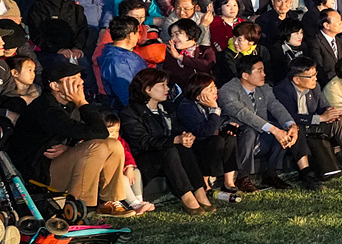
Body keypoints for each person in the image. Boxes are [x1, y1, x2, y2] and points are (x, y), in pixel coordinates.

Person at [9, 60, 135, 216]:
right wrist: (82, 102)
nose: (81, 82)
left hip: (57, 165)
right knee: (98, 146)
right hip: (38, 174)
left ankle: (108, 202)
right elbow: (98, 132)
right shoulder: (46, 109)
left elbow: (98, 133)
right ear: (55, 86)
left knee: (113, 144)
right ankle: (80, 206)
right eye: (73, 79)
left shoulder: (67, 105)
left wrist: (70, 148)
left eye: (80, 77)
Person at [118, 69, 215, 216]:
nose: (167, 89)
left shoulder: (167, 107)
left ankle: (200, 192)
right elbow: (143, 141)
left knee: (181, 148)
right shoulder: (131, 113)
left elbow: (175, 131)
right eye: (162, 85)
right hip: (145, 159)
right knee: (170, 148)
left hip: (169, 155)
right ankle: (187, 196)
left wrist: (185, 137)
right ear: (148, 89)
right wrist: (175, 140)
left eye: (167, 85)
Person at [217, 54, 299, 192]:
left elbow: (276, 106)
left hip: (260, 136)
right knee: (250, 129)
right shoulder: (228, 90)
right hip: (236, 137)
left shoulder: (264, 88)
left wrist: (291, 125)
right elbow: (244, 114)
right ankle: (243, 177)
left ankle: (271, 174)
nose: (264, 74)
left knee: (282, 130)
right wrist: (274, 130)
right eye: (259, 71)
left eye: (264, 70)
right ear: (245, 75)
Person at [174, 73, 240, 193]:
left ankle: (229, 180)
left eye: (214, 87)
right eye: (210, 89)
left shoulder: (209, 103)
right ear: (198, 94)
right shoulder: (187, 107)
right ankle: (204, 180)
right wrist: (214, 109)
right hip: (194, 145)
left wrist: (227, 125)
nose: (215, 91)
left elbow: (220, 120)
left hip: (207, 139)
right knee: (216, 141)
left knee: (230, 138)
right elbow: (205, 131)